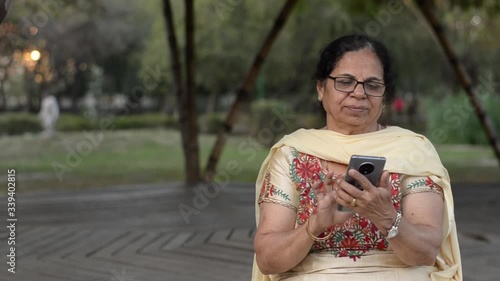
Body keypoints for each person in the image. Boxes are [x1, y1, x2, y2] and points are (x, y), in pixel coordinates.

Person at [252, 35, 461, 281]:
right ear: (321, 88)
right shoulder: (292, 154)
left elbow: (425, 252)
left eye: (372, 85)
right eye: (345, 81)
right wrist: (315, 224)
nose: (359, 93)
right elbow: (267, 260)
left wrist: (387, 217)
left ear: (383, 96)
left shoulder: (411, 151)